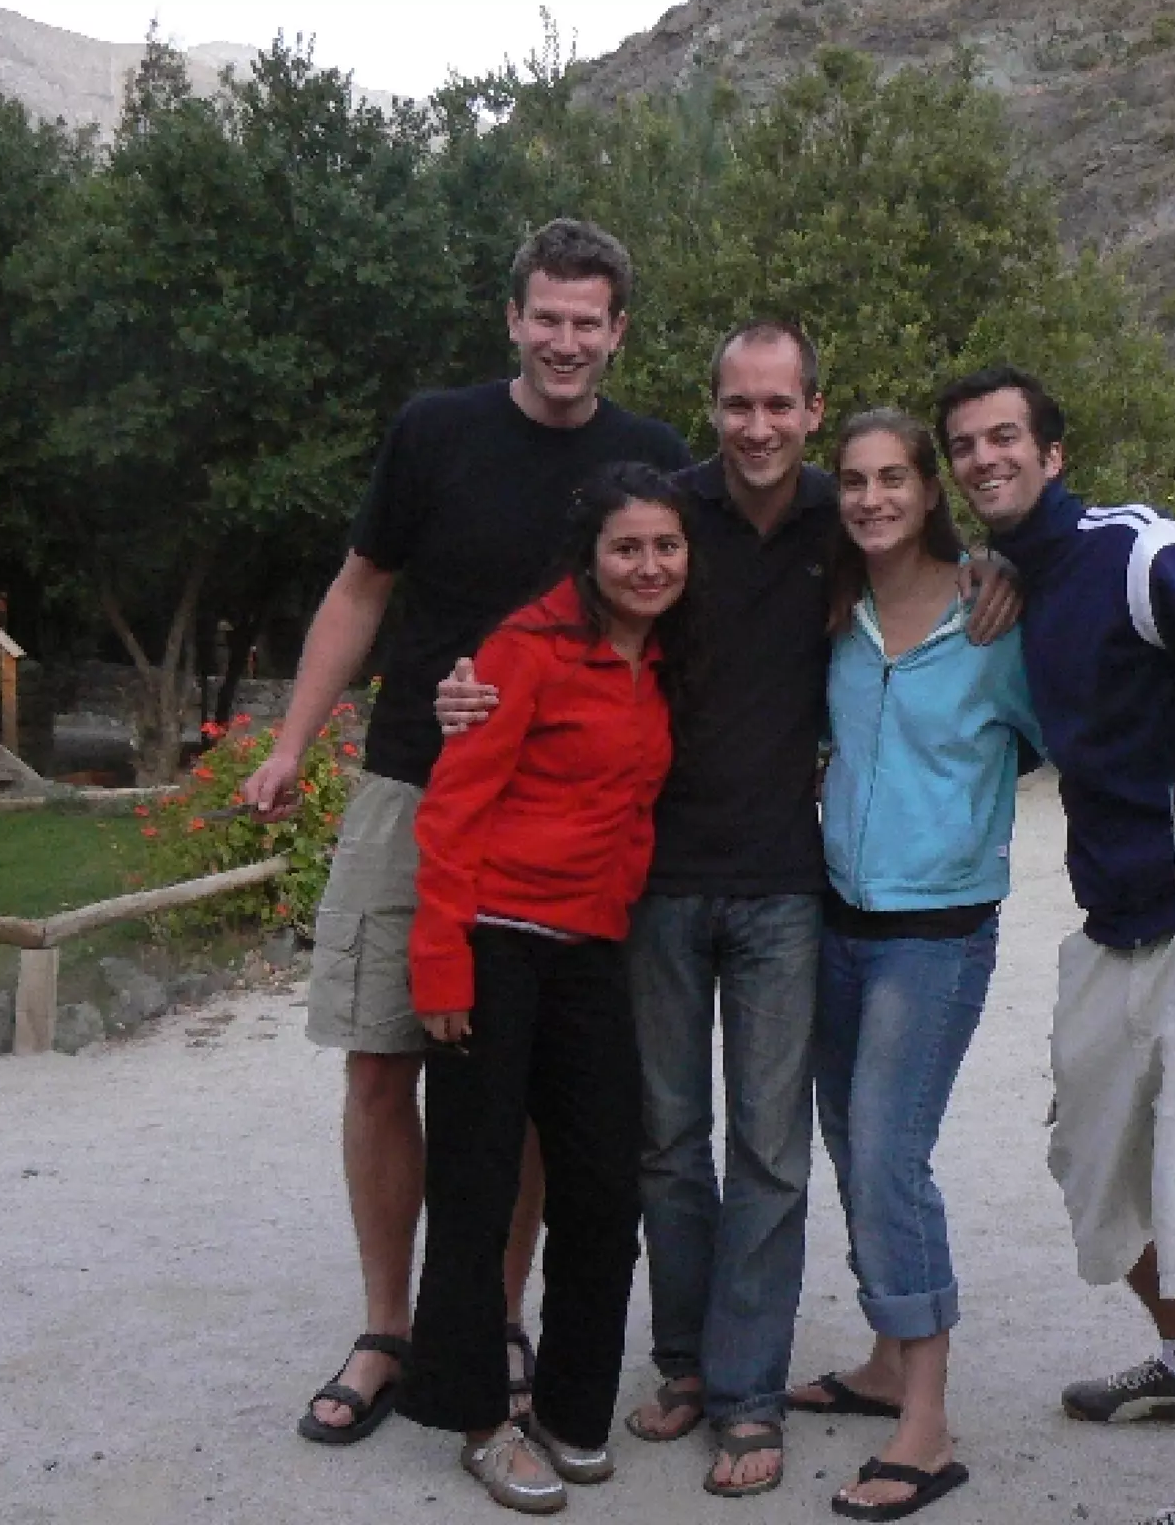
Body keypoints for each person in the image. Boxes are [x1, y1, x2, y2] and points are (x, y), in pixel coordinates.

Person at [439, 322, 1023, 1498]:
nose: (757, 427)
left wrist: (999, 564)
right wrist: (470, 680)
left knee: (768, 1152)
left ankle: (748, 1393)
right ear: (711, 408)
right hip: (655, 883)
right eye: (737, 405)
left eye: (778, 405)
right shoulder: (672, 514)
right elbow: (564, 605)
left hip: (782, 887)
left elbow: (930, 542)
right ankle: (688, 1363)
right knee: (666, 1147)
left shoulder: (838, 518)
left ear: (811, 408)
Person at [240, 218, 691, 1448]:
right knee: (379, 1061)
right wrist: (290, 743)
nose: (564, 341)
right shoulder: (435, 431)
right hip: (412, 784)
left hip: (558, 827)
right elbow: (360, 588)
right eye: (545, 317)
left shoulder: (650, 457)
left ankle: (487, 1319)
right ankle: (389, 1327)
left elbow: (712, 593)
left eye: (586, 322)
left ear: (617, 331)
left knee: (528, 1092)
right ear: (512, 319)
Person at [935, 366, 1175, 1525]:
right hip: (1116, 925)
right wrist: (991, 570)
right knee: (1092, 1170)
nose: (983, 457)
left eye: (1004, 436)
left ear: (1051, 453)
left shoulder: (1141, 552)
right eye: (963, 445)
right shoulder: (1013, 581)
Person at [398, 465, 695, 1514]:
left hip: (590, 950)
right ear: (591, 556)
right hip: (491, 943)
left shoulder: (665, 656)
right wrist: (439, 959)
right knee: (475, 1188)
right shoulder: (523, 650)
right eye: (628, 547)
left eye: (667, 546)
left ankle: (571, 1406)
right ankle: (480, 1420)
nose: (649, 565)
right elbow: (452, 807)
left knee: (604, 1190)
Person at [786, 410, 1044, 1521]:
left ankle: (926, 1423)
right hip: (836, 917)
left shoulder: (992, 620)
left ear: (929, 491)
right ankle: (890, 1359)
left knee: (892, 1153)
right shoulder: (835, 613)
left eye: (894, 477)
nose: (872, 498)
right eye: (853, 480)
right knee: (852, 1144)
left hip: (936, 934)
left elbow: (1058, 735)